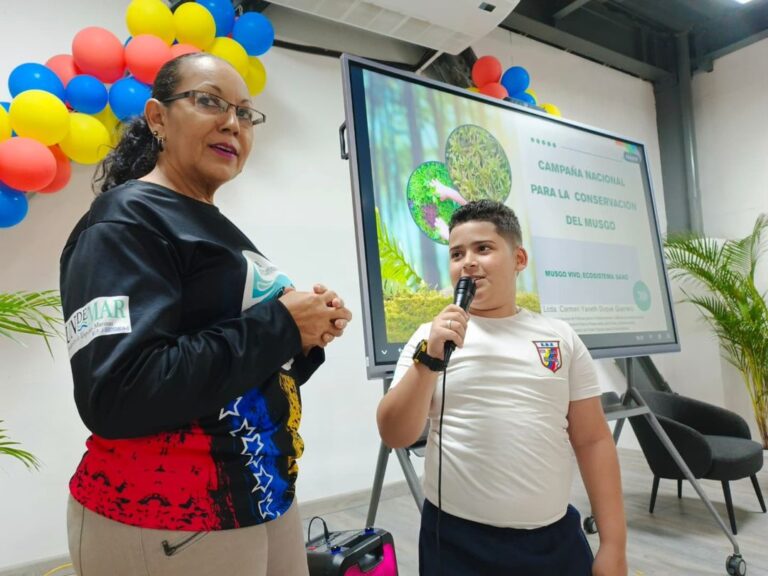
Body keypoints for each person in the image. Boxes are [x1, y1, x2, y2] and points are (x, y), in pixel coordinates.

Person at [60, 53, 352, 576]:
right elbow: (119, 392)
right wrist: (281, 323)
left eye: (245, 112)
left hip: (261, 493)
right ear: (157, 117)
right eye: (209, 101)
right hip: (170, 514)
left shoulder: (214, 225)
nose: (232, 123)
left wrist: (302, 337)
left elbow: (232, 357)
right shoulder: (123, 224)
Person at [377, 199, 627, 576]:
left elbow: (592, 439)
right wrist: (429, 361)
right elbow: (395, 433)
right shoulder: (429, 338)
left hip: (553, 541)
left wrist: (613, 543)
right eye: (457, 253)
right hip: (457, 542)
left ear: (519, 259)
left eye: (484, 248)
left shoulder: (560, 337)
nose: (468, 262)